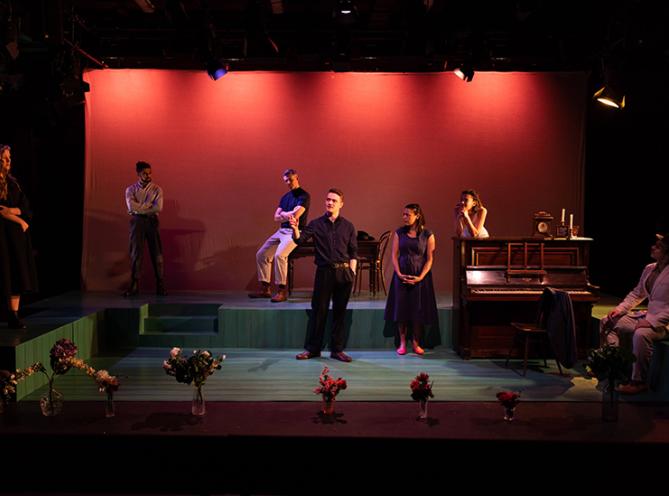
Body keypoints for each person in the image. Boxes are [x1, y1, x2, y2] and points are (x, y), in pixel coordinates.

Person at [290, 188, 357, 362]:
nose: (330, 202)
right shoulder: (316, 224)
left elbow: (353, 252)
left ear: (341, 204)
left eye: (334, 200)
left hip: (343, 273)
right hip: (324, 273)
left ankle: (337, 350)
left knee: (340, 313)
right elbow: (299, 240)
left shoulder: (348, 226)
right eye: (328, 199)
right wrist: (295, 228)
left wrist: (352, 273)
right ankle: (313, 349)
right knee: (319, 311)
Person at [601, 234, 669, 394]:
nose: (653, 247)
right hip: (648, 316)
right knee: (607, 321)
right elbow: (637, 293)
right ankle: (613, 367)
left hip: (664, 323)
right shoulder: (650, 268)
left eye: (658, 247)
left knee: (641, 334)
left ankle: (638, 382)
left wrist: (653, 322)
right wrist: (620, 309)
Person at [384, 204, 439, 356]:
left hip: (419, 277)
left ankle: (416, 342)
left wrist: (420, 277)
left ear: (417, 216)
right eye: (403, 214)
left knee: (417, 310)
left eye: (408, 214)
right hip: (402, 275)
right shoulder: (399, 233)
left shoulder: (427, 234)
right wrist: (398, 273)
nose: (404, 217)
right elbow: (394, 255)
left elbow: (430, 259)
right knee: (401, 309)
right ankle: (402, 343)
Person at [249, 169, 310, 303]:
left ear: (297, 178)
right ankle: (265, 289)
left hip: (295, 231)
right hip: (281, 231)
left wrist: (284, 214)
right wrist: (286, 215)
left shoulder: (304, 196)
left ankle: (281, 291)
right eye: (286, 181)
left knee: (280, 255)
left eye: (290, 180)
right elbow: (275, 217)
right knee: (261, 254)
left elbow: (295, 215)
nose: (288, 183)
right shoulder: (285, 197)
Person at [0, 145, 38, 329]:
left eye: (9, 157)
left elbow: (25, 206)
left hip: (16, 239)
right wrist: (18, 220)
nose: (9, 161)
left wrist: (15, 213)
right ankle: (9, 313)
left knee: (16, 272)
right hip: (3, 237)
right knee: (6, 272)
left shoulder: (13, 183)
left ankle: (14, 314)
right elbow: (1, 211)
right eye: (5, 158)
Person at [123, 161, 167, 297]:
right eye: (145, 173)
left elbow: (158, 208)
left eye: (149, 173)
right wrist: (148, 207)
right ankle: (134, 284)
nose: (148, 175)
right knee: (136, 253)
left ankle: (160, 284)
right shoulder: (130, 189)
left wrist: (139, 209)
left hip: (152, 221)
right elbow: (131, 207)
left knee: (157, 252)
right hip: (137, 222)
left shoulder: (157, 189)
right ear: (138, 174)